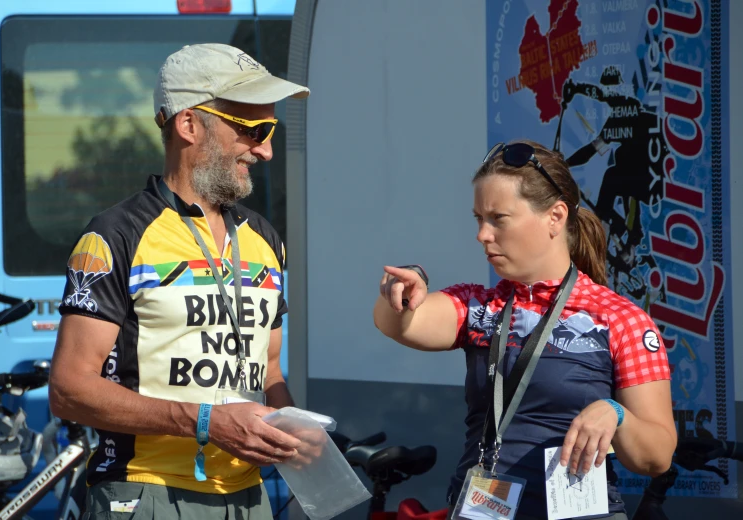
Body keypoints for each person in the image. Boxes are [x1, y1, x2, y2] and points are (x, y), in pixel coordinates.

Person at [49, 43, 309, 520]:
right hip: (147, 491)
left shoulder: (265, 239)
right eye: (254, 129)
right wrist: (206, 422)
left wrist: (295, 434)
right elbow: (69, 389)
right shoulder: (116, 233)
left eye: (272, 130)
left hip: (248, 498)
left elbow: (269, 374)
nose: (267, 150)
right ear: (189, 124)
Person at [373, 140, 676, 520]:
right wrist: (402, 291)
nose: (482, 234)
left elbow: (657, 455)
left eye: (498, 218)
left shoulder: (620, 318)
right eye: (478, 219)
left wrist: (616, 414)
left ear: (555, 217)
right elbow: (398, 324)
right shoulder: (480, 306)